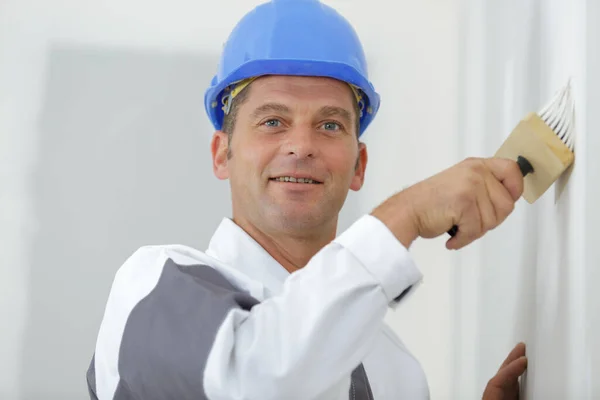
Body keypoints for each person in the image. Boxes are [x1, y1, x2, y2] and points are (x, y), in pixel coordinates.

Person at [86, 0, 527, 398]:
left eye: (330, 125)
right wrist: (404, 213)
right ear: (223, 154)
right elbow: (257, 380)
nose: (301, 145)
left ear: (358, 166)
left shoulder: (395, 369)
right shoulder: (152, 288)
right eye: (273, 121)